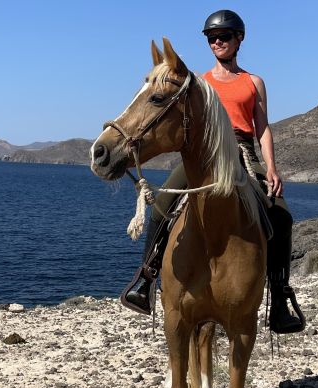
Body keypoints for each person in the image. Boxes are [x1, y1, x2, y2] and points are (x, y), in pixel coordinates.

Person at [120, 9, 305, 334]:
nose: (217, 42)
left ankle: (279, 298)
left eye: (224, 37)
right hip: (206, 153)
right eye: (211, 38)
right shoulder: (200, 83)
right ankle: (146, 278)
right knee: (163, 201)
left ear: (238, 39)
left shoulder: (253, 82)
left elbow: (262, 129)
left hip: (243, 151)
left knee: (280, 214)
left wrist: (272, 167)